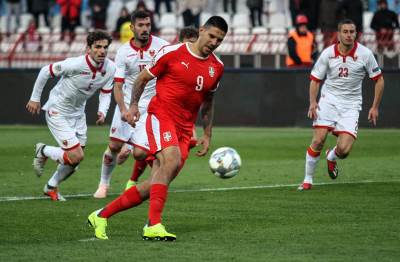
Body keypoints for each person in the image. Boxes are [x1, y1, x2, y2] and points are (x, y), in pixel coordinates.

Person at [88, 16, 228, 241]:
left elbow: (208, 102)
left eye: (219, 40)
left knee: (155, 183)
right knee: (170, 160)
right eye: (211, 36)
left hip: (184, 128)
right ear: (202, 30)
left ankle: (101, 215)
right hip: (161, 115)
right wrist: (133, 105)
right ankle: (153, 225)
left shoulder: (217, 67)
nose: (214, 42)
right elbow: (141, 79)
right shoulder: (172, 52)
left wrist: (207, 133)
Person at [26, 30, 116, 201]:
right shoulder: (75, 64)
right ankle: (43, 150)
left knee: (74, 160)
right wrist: (34, 98)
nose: (102, 51)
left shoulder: (110, 68)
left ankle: (51, 187)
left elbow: (106, 91)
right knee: (76, 156)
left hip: (78, 114)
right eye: (97, 47)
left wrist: (102, 111)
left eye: (105, 47)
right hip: (58, 110)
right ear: (88, 48)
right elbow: (46, 71)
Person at [298, 19, 384, 191]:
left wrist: (374, 107)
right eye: (345, 31)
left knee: (344, 150)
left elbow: (379, 80)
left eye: (352, 31)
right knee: (318, 139)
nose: (349, 35)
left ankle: (331, 156)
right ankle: (307, 180)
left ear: (356, 34)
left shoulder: (365, 54)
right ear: (338, 34)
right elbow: (315, 80)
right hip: (329, 100)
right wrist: (313, 103)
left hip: (351, 105)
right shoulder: (328, 54)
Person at [92, 10, 169, 199]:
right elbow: (117, 86)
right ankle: (104, 184)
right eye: (141, 25)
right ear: (132, 27)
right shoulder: (123, 52)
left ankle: (131, 148)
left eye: (148, 25)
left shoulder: (163, 47)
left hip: (150, 106)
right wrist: (124, 110)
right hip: (127, 104)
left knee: (140, 154)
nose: (145, 29)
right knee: (114, 145)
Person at [121, 26, 200, 190]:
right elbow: (144, 78)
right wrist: (134, 104)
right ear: (180, 42)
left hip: (182, 114)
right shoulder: (170, 56)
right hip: (160, 110)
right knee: (141, 153)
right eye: (188, 43)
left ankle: (152, 182)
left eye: (194, 43)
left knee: (171, 152)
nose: (190, 47)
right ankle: (137, 178)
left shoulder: (198, 62)